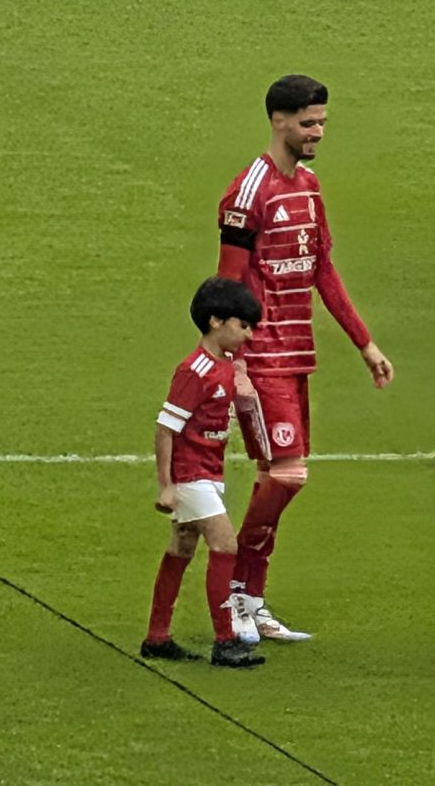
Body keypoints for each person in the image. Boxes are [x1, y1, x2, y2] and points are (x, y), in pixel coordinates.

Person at [216, 73, 392, 645]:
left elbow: (322, 271)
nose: (317, 132)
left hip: (297, 357)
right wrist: (235, 365)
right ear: (278, 120)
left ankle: (250, 599)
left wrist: (364, 343)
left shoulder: (310, 188)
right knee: (288, 475)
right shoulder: (248, 194)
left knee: (276, 477)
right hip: (261, 358)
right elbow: (227, 287)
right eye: (308, 123)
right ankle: (235, 592)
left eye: (322, 122)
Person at [142, 277, 265, 669]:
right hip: (191, 474)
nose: (248, 335)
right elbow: (165, 428)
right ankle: (225, 641)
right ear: (216, 321)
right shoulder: (195, 371)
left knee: (181, 548)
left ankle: (157, 638)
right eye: (242, 325)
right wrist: (166, 486)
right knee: (225, 546)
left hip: (210, 472)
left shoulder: (225, 366)